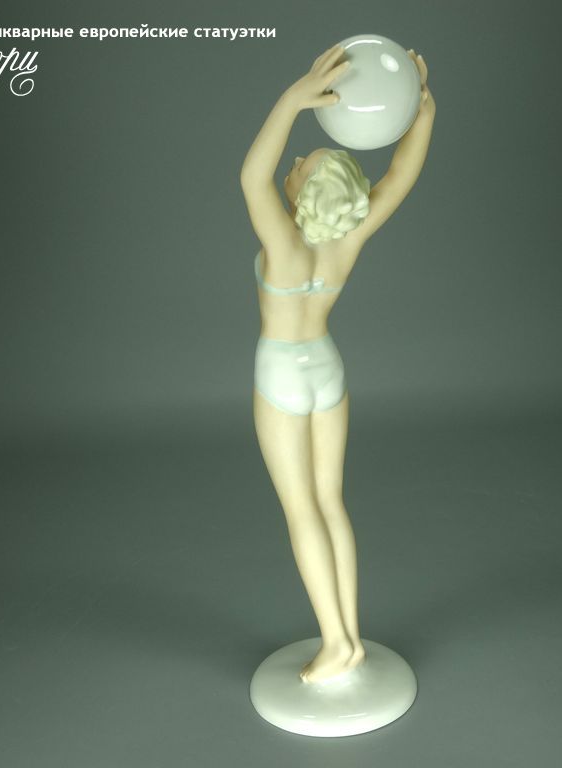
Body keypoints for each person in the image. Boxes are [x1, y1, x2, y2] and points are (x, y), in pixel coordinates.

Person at [240, 43, 435, 683]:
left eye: (304, 164)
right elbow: (400, 175)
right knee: (332, 502)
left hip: (281, 373)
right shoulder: (348, 239)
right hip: (327, 368)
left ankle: (335, 643)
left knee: (302, 509)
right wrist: (421, 109)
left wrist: (292, 100)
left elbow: (251, 177)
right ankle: (349, 638)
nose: (295, 162)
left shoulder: (284, 244)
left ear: (306, 195)